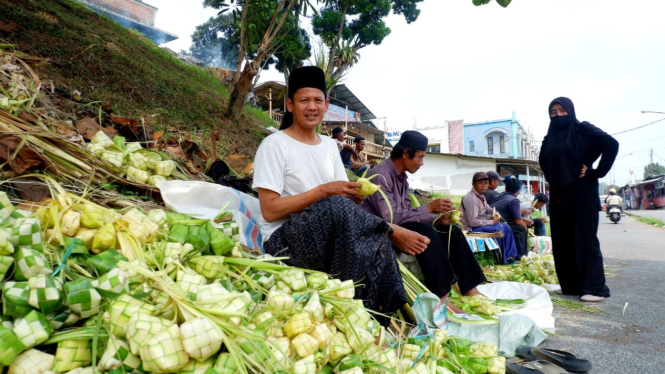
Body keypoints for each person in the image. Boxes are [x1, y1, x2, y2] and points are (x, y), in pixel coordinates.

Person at [252, 66, 429, 319]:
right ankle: (388, 235)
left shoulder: (329, 146)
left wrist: (352, 194)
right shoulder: (274, 145)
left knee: (374, 240)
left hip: (329, 232)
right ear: (290, 105)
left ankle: (377, 319)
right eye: (304, 100)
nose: (311, 107)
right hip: (286, 240)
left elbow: (340, 201)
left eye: (317, 100)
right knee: (340, 210)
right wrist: (323, 191)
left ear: (325, 105)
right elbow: (269, 211)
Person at [361, 131, 487, 312]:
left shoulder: (401, 178)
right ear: (405, 154)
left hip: (398, 226)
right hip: (379, 231)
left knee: (452, 231)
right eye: (420, 157)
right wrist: (428, 209)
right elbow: (390, 218)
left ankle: (470, 288)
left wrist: (438, 219)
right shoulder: (379, 176)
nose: (421, 163)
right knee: (426, 232)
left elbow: (406, 213)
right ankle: (441, 298)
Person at [539, 97, 618, 302]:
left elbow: (611, 144)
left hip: (581, 193)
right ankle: (571, 285)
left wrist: (596, 172)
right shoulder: (551, 136)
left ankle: (595, 288)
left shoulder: (583, 129)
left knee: (584, 239)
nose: (557, 115)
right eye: (553, 112)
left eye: (562, 111)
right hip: (558, 195)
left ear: (571, 111)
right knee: (563, 240)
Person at [460, 172, 518, 263]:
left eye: (486, 183)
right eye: (480, 183)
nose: (483, 186)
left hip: (480, 225)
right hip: (471, 229)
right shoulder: (472, 199)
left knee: (505, 226)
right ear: (473, 184)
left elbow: (487, 208)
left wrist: (494, 212)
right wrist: (492, 222)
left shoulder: (480, 195)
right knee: (499, 229)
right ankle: (500, 259)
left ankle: (509, 256)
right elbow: (472, 222)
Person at [489, 175, 529, 258]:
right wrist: (525, 226)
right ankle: (521, 256)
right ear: (518, 191)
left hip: (492, 222)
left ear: (505, 188)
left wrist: (522, 219)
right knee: (521, 229)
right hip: (499, 224)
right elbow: (518, 221)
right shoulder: (513, 200)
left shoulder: (499, 196)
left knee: (520, 225)